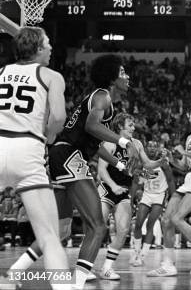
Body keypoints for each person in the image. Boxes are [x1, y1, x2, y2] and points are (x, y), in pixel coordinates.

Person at [8, 53, 134, 289]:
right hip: (69, 156)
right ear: (112, 77)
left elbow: (93, 141)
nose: (127, 77)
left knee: (61, 230)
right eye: (123, 73)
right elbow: (91, 126)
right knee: (97, 226)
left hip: (61, 155)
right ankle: (76, 283)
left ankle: (17, 271)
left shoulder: (102, 100)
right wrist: (125, 143)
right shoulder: (103, 96)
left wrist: (118, 164)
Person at [0, 27, 70, 290]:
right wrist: (49, 135)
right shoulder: (51, 76)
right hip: (28, 149)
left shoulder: (1, 73)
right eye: (48, 43)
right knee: (50, 236)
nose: (51, 47)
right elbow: (59, 117)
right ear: (38, 48)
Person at [147, 105, 191, 277]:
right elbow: (184, 166)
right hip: (189, 179)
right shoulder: (188, 138)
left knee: (177, 218)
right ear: (188, 116)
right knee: (166, 220)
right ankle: (168, 265)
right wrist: (170, 159)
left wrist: (184, 152)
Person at [97, 113, 166, 279]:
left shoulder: (137, 144)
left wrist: (161, 161)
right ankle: (84, 266)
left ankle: (106, 268)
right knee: (97, 229)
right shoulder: (110, 142)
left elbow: (148, 164)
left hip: (124, 191)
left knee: (123, 230)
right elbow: (101, 170)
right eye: (130, 125)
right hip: (107, 188)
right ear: (120, 126)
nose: (134, 128)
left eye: (133, 125)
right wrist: (113, 186)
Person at [131, 141, 175, 267]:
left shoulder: (163, 163)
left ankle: (142, 256)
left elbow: (171, 180)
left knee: (150, 224)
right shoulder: (143, 164)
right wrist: (131, 198)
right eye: (149, 146)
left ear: (157, 149)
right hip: (147, 195)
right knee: (138, 224)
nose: (151, 148)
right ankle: (137, 252)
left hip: (159, 196)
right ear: (145, 149)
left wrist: (173, 198)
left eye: (154, 146)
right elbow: (138, 182)